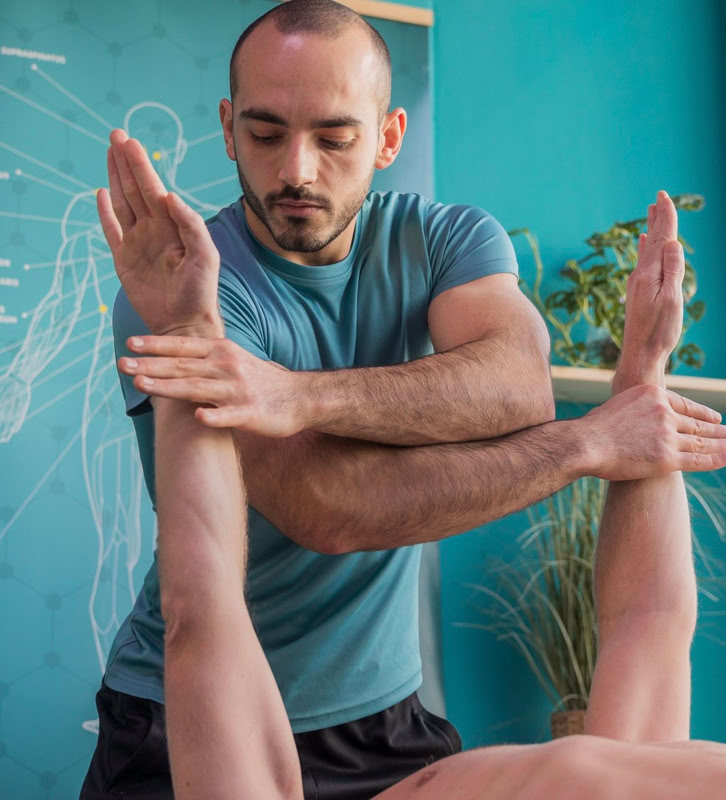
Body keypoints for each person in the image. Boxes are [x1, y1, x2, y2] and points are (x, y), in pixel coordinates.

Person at [80, 1, 726, 797]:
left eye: (334, 137)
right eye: (266, 133)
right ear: (227, 127)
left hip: (385, 720)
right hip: (187, 725)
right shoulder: (191, 288)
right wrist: (591, 440)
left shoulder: (444, 239)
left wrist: (296, 396)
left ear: (388, 137)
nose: (296, 172)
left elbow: (516, 387)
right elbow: (330, 509)